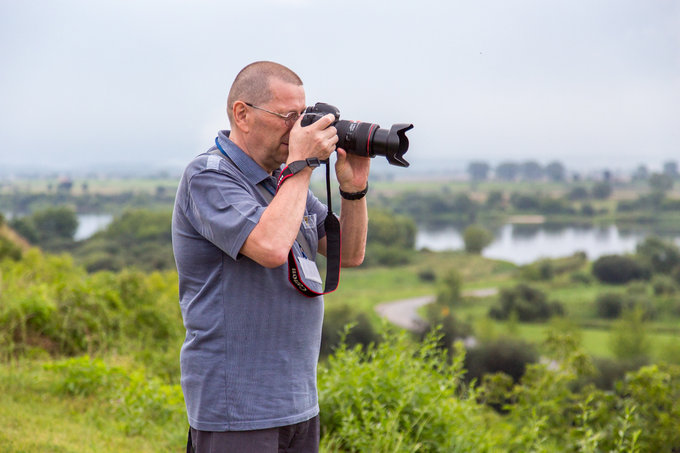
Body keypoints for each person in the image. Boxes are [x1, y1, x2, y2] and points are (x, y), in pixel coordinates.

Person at [172, 61, 371, 453]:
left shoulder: (279, 184)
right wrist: (301, 166)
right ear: (242, 114)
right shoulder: (210, 176)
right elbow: (270, 248)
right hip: (237, 411)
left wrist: (354, 189)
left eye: (303, 116)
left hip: (297, 405)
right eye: (287, 117)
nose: (298, 129)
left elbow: (348, 254)